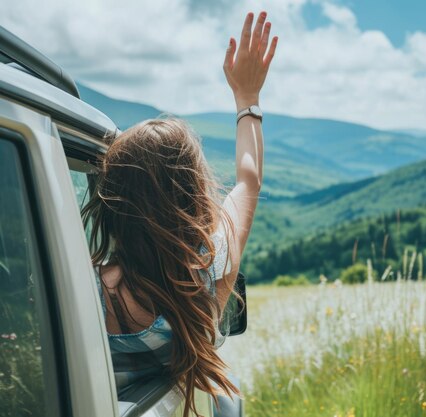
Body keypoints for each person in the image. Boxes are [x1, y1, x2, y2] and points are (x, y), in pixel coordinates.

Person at [81, 11, 278, 417]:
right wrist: (248, 99)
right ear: (191, 193)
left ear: (111, 200)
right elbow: (248, 180)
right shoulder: (209, 270)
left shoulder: (81, 287)